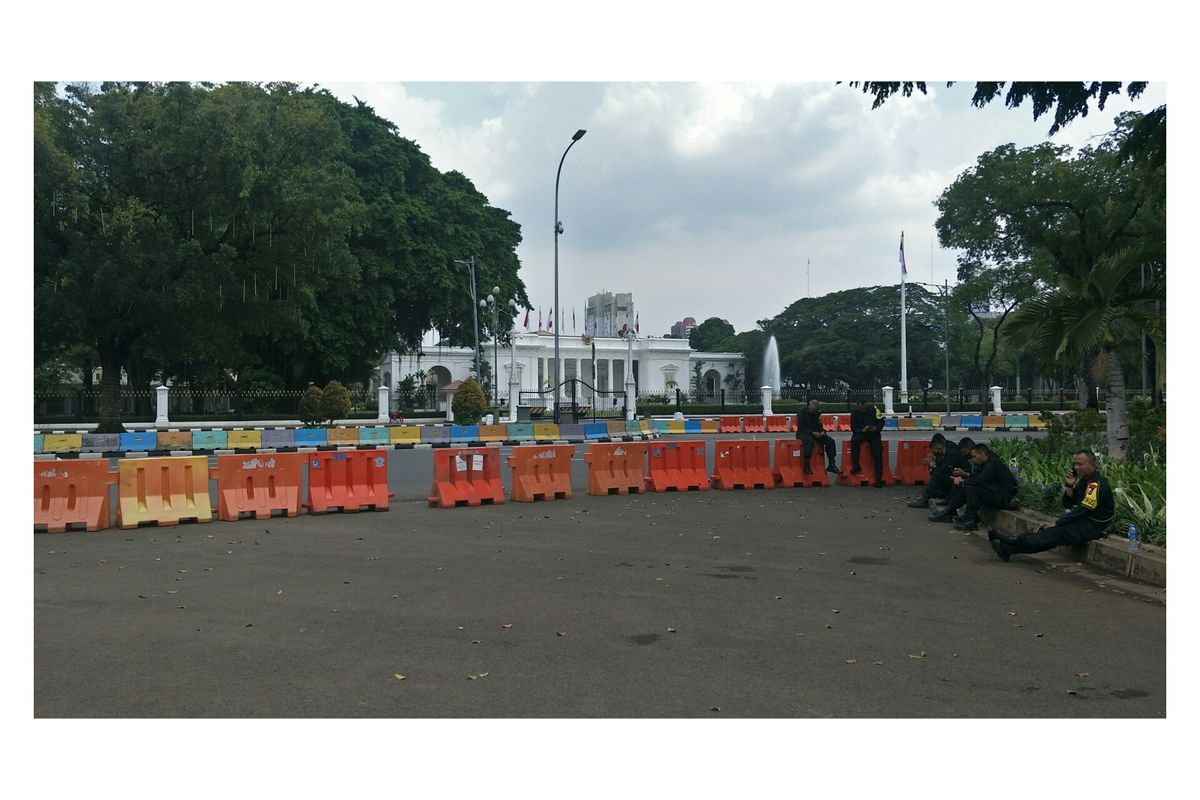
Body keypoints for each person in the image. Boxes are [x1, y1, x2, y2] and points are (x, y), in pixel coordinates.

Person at [988, 450, 1114, 562]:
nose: (1076, 467)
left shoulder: (1095, 484)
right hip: (1082, 521)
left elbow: (1083, 509)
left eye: (1080, 464)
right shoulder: (1084, 481)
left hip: (1094, 526)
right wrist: (1070, 486)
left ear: (1092, 464)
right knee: (1048, 534)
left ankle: (1009, 540)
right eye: (1075, 464)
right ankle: (1008, 549)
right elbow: (1069, 504)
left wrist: (1058, 523)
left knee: (1055, 533)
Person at [928, 442, 1017, 531]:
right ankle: (950, 511)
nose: (973, 460)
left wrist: (963, 481)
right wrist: (964, 475)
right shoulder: (984, 463)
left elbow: (980, 480)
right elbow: (978, 476)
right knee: (963, 484)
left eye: (974, 456)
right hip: (994, 492)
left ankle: (971, 520)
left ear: (982, 454)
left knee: (971, 487)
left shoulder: (993, 463)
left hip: (1003, 498)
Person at [906, 433, 955, 508]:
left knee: (937, 474)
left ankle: (926, 498)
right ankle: (928, 496)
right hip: (951, 473)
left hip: (954, 474)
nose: (934, 451)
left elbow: (945, 468)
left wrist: (934, 465)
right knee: (935, 473)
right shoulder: (945, 450)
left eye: (935, 449)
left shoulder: (951, 451)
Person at [795, 399, 839, 474]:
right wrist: (812, 433)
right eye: (815, 409)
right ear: (810, 406)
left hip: (817, 433)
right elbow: (801, 427)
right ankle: (806, 466)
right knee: (809, 441)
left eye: (817, 409)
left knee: (830, 441)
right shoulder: (801, 413)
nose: (816, 411)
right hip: (803, 433)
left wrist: (822, 431)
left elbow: (819, 424)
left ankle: (832, 464)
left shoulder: (818, 413)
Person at [849, 399, 885, 488]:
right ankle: (856, 465)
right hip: (862, 433)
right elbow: (853, 427)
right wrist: (862, 430)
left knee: (877, 454)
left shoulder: (874, 409)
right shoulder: (854, 412)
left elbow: (881, 421)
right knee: (854, 441)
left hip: (873, 434)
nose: (860, 408)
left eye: (861, 406)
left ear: (864, 404)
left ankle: (878, 479)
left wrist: (876, 428)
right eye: (858, 407)